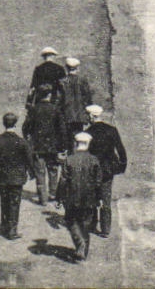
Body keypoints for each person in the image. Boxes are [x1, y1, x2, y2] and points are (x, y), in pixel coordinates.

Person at [0, 112, 37, 239]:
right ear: (15, 124)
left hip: (2, 177)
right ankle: (12, 230)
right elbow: (29, 159)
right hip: (17, 178)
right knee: (14, 203)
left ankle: (4, 226)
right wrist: (32, 173)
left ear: (4, 124)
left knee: (4, 201)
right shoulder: (22, 142)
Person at [82, 105, 128, 237]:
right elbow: (121, 150)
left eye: (87, 115)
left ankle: (92, 224)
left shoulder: (88, 133)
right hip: (108, 170)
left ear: (91, 116)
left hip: (93, 170)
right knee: (106, 198)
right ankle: (105, 229)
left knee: (92, 198)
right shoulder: (112, 130)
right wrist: (121, 166)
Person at [57, 132, 104, 261]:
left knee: (71, 221)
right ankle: (83, 251)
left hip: (72, 197)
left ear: (76, 143)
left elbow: (63, 180)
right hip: (90, 198)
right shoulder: (94, 159)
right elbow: (98, 181)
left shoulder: (69, 159)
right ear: (88, 144)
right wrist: (100, 198)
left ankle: (80, 244)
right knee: (86, 224)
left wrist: (59, 198)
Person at [24, 83, 65, 205]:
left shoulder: (34, 110)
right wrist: (62, 146)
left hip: (38, 146)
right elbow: (62, 129)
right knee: (53, 170)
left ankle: (43, 198)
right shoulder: (55, 109)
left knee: (40, 172)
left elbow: (26, 127)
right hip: (53, 145)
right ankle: (53, 193)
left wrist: (28, 138)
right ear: (49, 95)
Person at [60, 56, 93, 142]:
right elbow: (88, 98)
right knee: (79, 137)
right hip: (80, 114)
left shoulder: (63, 81)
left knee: (69, 138)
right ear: (77, 68)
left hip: (67, 114)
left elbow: (60, 99)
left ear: (66, 68)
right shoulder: (82, 80)